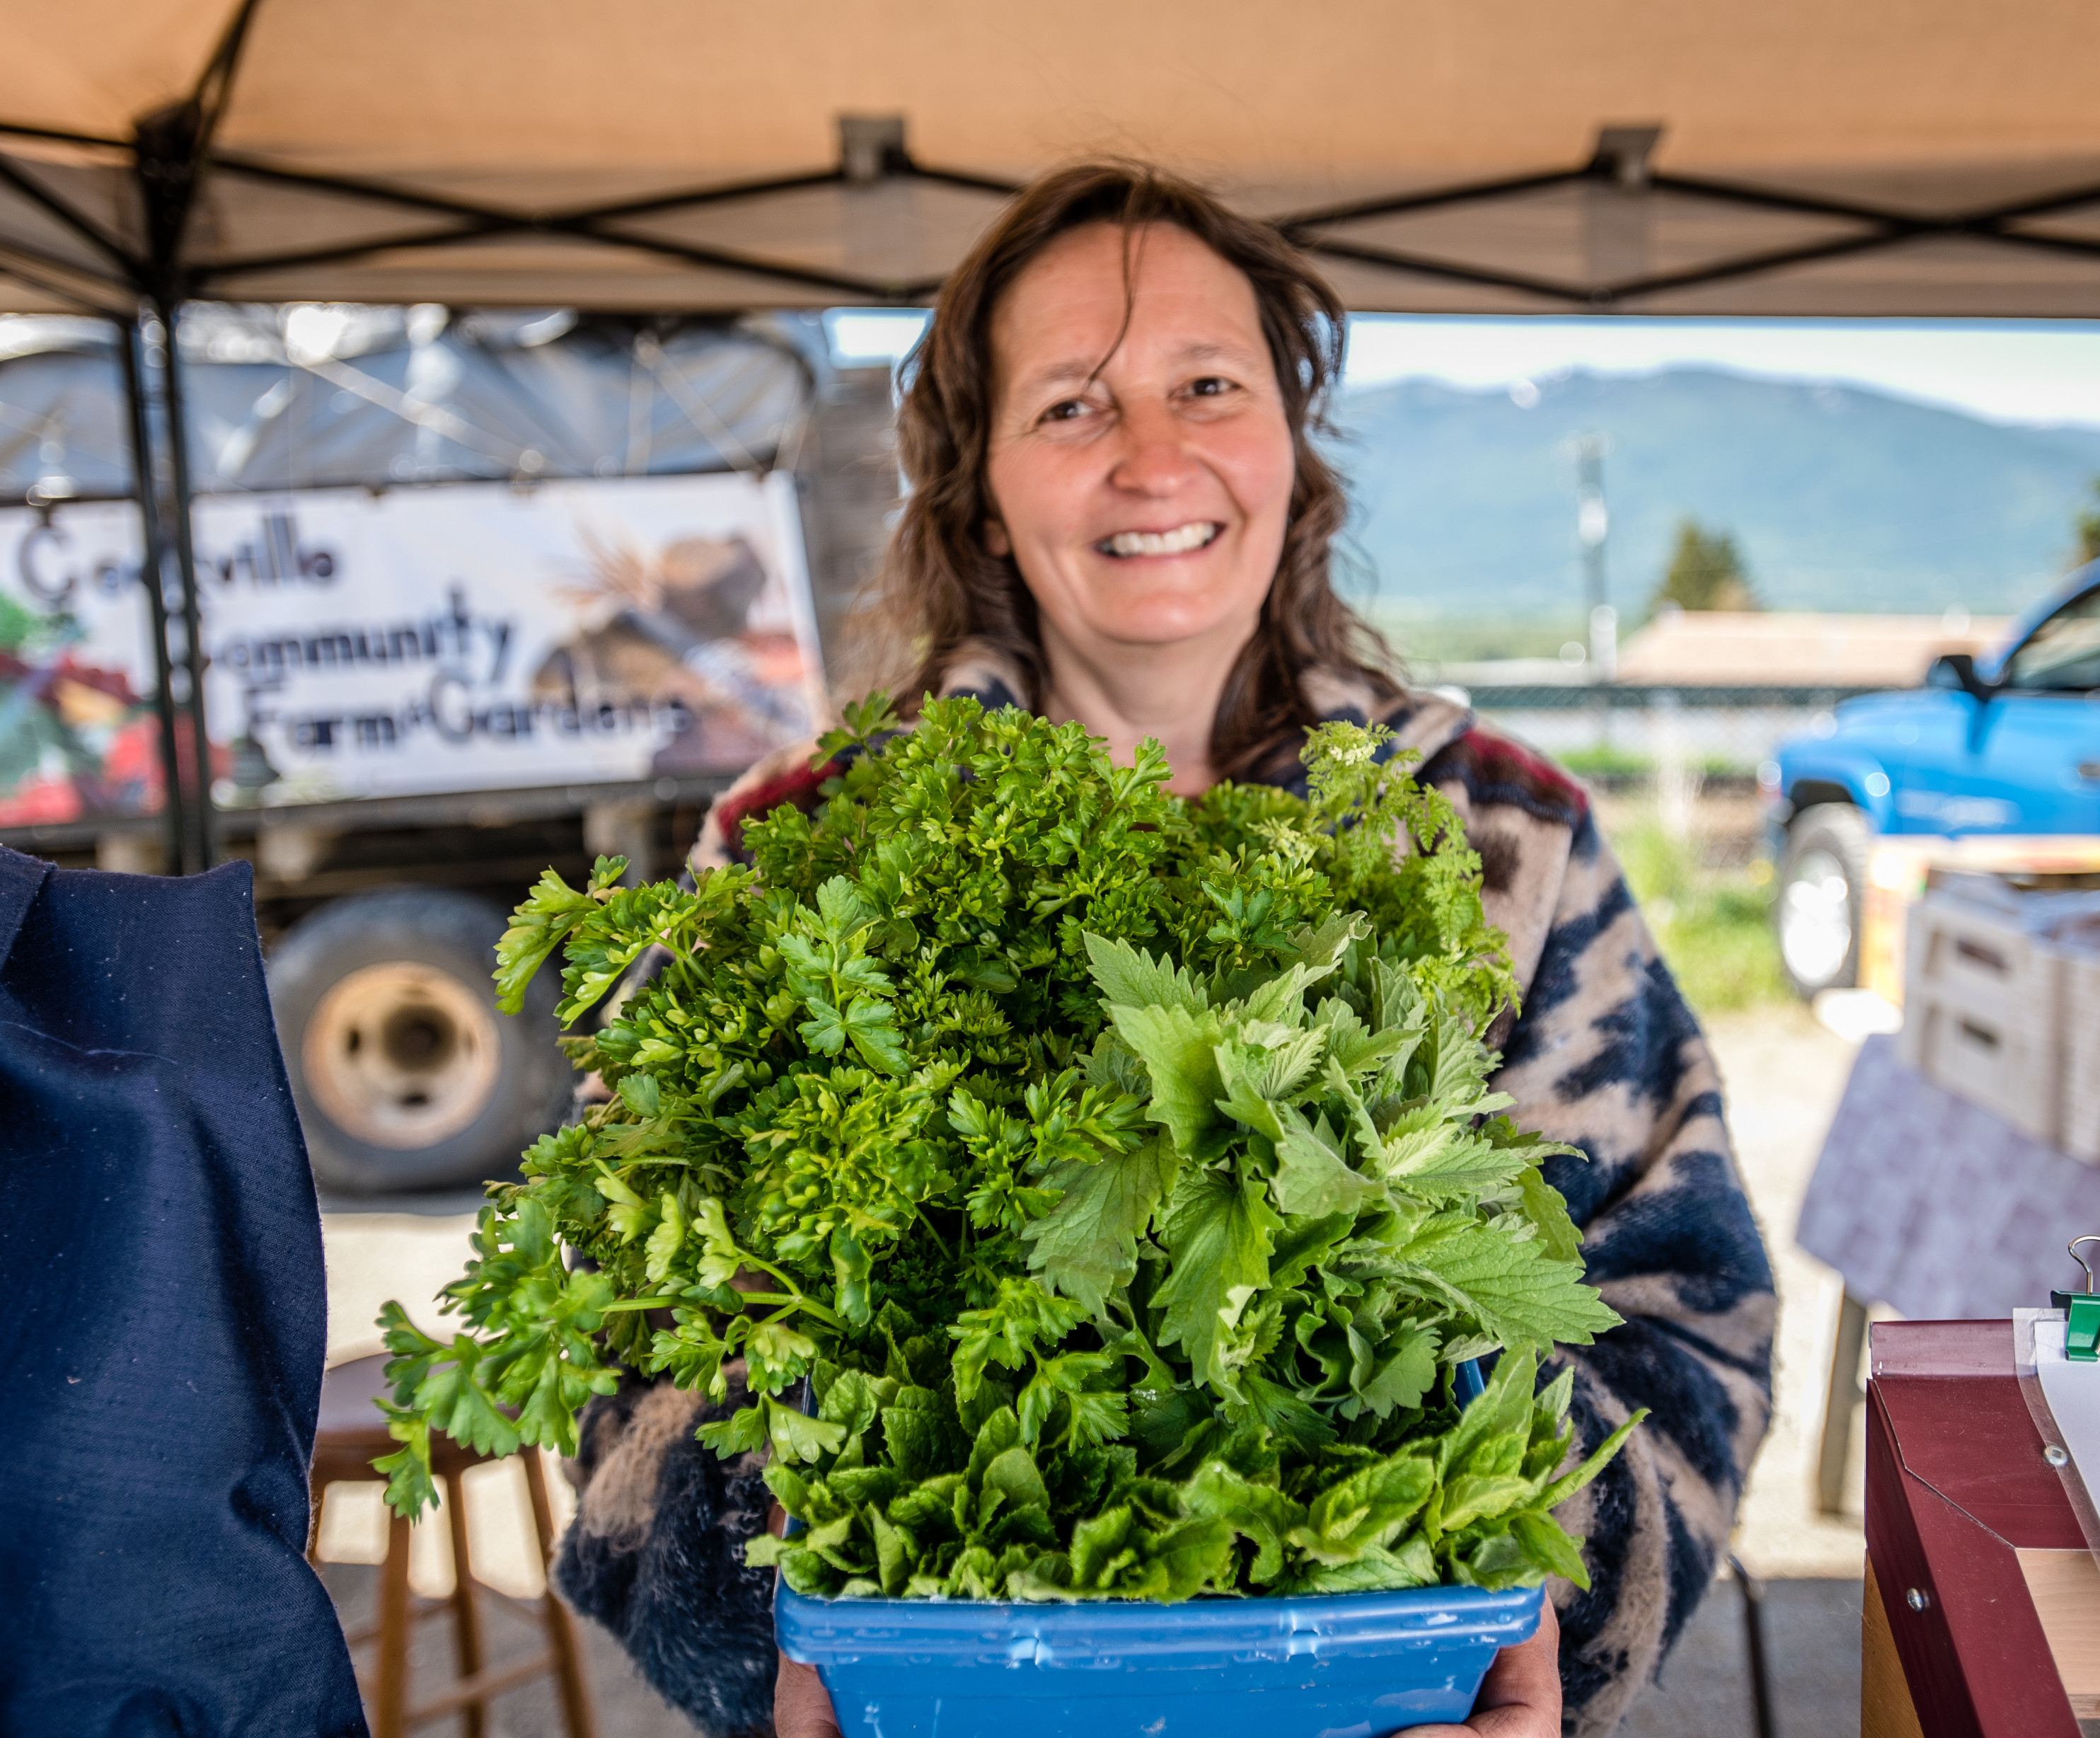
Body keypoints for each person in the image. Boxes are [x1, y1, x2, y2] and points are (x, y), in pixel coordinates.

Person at [555, 162, 1776, 1738]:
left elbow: (1693, 1314)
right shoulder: (800, 846)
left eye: (1207, 384)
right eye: (1070, 406)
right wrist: (788, 1619)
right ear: (977, 477)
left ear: (1289, 440)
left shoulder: (1505, 843)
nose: (1153, 459)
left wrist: (1533, 1599)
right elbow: (615, 1339)